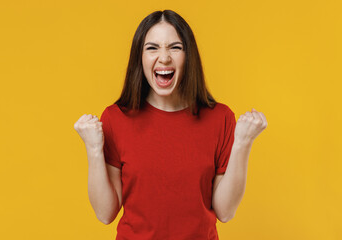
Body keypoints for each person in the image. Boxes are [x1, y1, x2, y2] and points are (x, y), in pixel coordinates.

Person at [74, 9, 267, 240]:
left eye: (175, 47)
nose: (164, 57)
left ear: (189, 56)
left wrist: (243, 142)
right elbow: (105, 213)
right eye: (152, 48)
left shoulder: (220, 118)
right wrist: (93, 149)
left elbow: (225, 212)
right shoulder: (116, 119)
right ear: (140, 58)